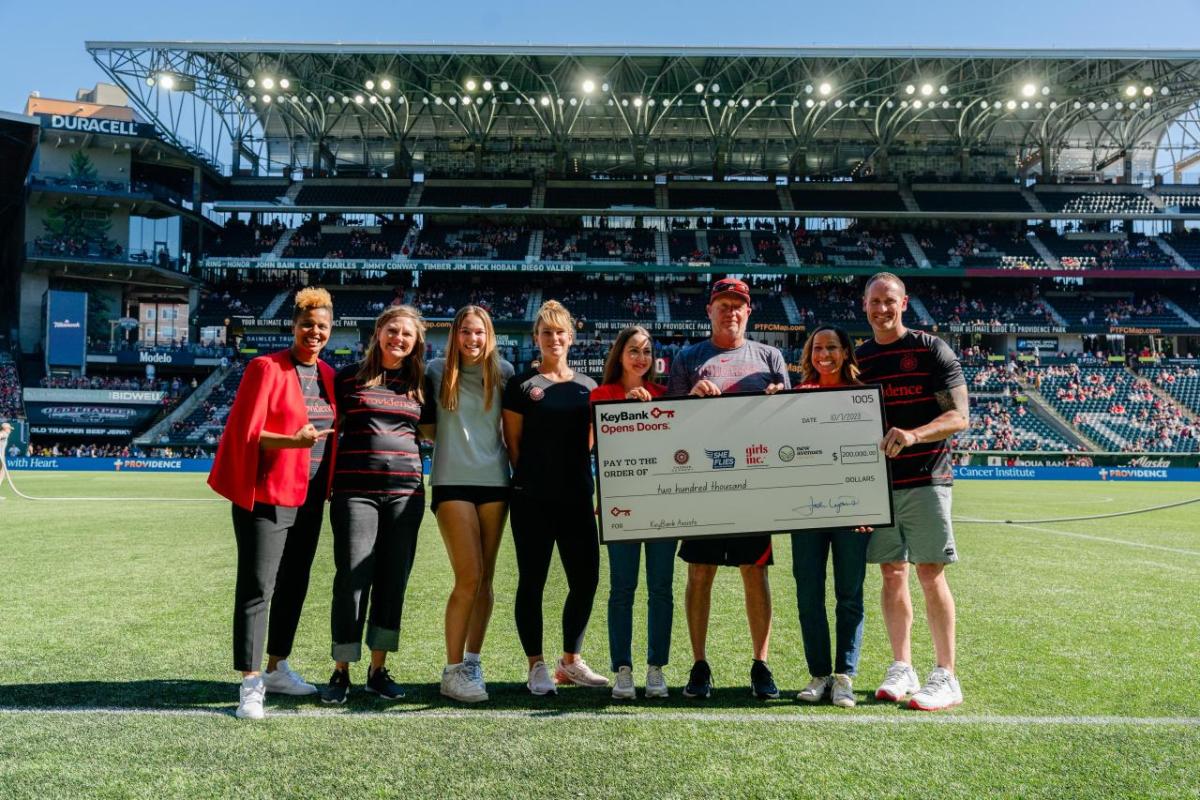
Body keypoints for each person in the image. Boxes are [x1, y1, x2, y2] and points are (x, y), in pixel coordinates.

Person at [208, 287, 338, 720]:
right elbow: (245, 434)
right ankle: (250, 682)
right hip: (267, 494)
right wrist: (292, 440)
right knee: (257, 588)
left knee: (295, 584)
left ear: (330, 330)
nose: (313, 332)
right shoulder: (265, 367)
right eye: (307, 324)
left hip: (312, 495)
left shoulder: (330, 377)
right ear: (294, 325)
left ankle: (278, 666)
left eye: (321, 326)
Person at [665, 278, 789, 700]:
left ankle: (761, 663)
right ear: (710, 310)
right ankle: (699, 664)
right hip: (703, 485)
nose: (731, 312)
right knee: (700, 572)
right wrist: (690, 399)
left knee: (755, 572)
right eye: (723, 304)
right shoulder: (689, 357)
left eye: (738, 305)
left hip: (753, 487)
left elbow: (789, 423)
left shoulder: (770, 357)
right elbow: (669, 427)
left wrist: (776, 401)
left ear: (748, 311)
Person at [856, 272, 968, 711]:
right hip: (878, 486)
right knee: (890, 572)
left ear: (904, 303)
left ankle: (946, 675)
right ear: (864, 306)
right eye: (874, 302)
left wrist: (915, 434)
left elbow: (959, 417)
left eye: (890, 301)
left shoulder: (930, 348)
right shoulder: (858, 358)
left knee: (929, 572)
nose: (882, 309)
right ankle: (903, 665)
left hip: (925, 477)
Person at [322, 305, 428, 704]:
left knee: (392, 580)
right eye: (392, 330)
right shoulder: (348, 378)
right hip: (355, 493)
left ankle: (378, 669)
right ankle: (340, 669)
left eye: (407, 334)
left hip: (406, 494)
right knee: (351, 579)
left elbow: (433, 429)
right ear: (378, 331)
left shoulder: (421, 382)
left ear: (416, 341)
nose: (398, 338)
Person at [501, 300, 607, 696]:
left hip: (577, 496)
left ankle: (570, 662)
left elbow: (592, 444)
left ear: (571, 338)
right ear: (537, 339)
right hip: (532, 498)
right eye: (547, 333)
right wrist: (532, 480)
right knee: (532, 581)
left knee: (586, 579)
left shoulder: (588, 387)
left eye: (561, 332)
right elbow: (513, 443)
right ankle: (536, 665)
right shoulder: (522, 386)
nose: (554, 338)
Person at [421, 306, 515, 703]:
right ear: (454, 335)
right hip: (451, 481)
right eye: (465, 333)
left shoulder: (505, 372)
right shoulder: (435, 371)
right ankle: (452, 669)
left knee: (487, 580)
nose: (472, 340)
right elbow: (426, 427)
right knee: (469, 576)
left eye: (479, 333)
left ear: (489, 335)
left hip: (495, 482)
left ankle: (473, 663)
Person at [790, 325, 872, 708]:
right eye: (818, 348)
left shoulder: (862, 396)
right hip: (804, 508)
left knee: (849, 595)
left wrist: (870, 504)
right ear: (809, 354)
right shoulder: (796, 396)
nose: (825, 355)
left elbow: (872, 453)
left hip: (852, 510)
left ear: (846, 353)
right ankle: (819, 673)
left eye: (832, 347)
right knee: (808, 593)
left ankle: (844, 676)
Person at [590, 326, 672, 700]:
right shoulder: (600, 395)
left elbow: (674, 451)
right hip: (620, 505)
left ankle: (656, 668)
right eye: (633, 350)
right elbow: (591, 446)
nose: (640, 358)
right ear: (619, 355)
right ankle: (622, 668)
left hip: (661, 505)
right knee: (622, 589)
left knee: (661, 588)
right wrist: (624, 411)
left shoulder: (664, 396)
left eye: (646, 351)